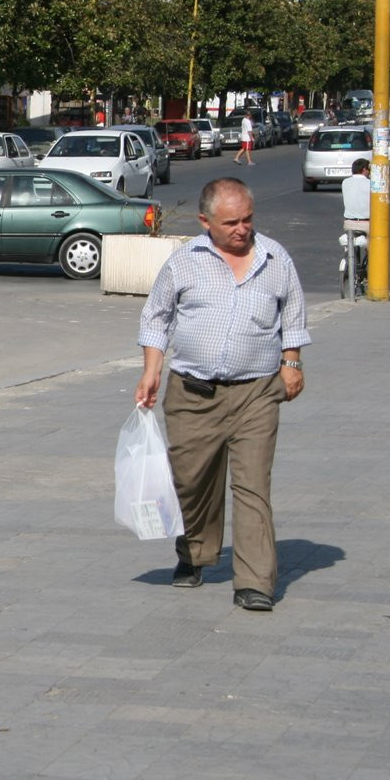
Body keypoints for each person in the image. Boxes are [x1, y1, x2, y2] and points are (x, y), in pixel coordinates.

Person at [134, 177, 309, 613]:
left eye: (248, 218)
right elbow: (156, 318)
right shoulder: (184, 262)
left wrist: (292, 362)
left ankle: (254, 582)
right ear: (205, 221)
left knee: (252, 487)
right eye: (231, 221)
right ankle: (193, 552)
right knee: (192, 482)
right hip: (193, 394)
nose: (242, 228)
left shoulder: (275, 258)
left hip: (257, 392)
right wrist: (151, 371)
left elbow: (293, 312)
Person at [341, 161, 371, 232]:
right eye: (369, 170)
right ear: (364, 169)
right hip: (366, 223)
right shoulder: (370, 183)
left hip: (349, 223)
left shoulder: (345, 182)